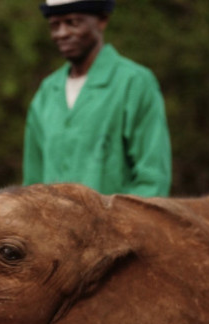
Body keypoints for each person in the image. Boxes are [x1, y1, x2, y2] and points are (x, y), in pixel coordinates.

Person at [23, 0, 172, 197]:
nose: (62, 33)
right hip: (54, 227)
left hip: (116, 226)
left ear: (102, 20)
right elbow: (32, 184)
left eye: (73, 22)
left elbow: (153, 180)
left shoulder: (134, 83)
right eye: (54, 25)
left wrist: (121, 226)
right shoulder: (47, 93)